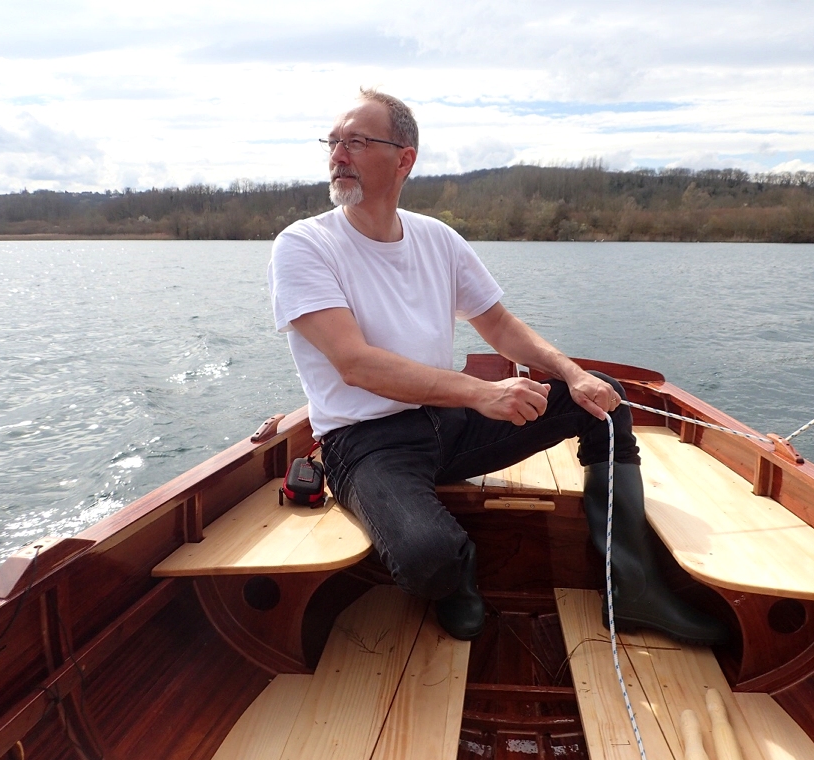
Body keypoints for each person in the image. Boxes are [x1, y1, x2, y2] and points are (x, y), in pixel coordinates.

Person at [268, 88, 726, 645]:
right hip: (364, 443)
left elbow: (501, 326)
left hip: (445, 420)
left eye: (357, 142)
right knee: (424, 558)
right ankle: (456, 574)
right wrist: (480, 393)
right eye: (334, 142)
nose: (338, 154)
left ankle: (632, 590)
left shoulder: (437, 239)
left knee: (601, 400)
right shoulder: (304, 245)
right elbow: (355, 364)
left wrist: (569, 372)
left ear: (405, 157)